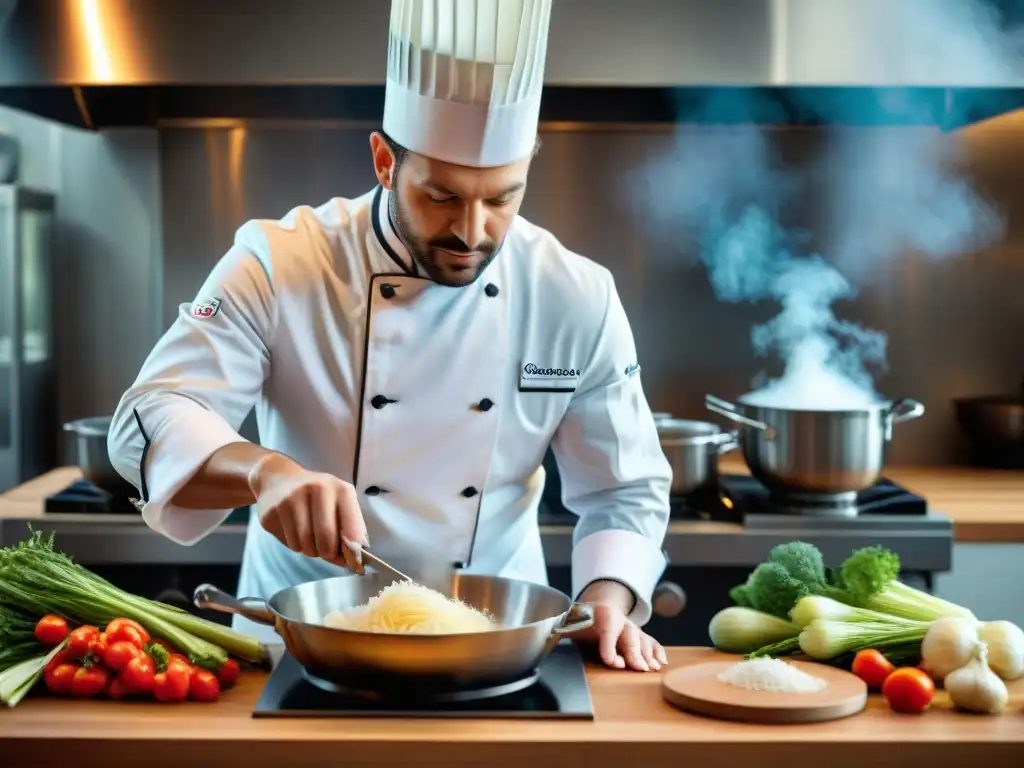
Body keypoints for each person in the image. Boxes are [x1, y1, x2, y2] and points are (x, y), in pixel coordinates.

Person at [107, 0, 672, 672]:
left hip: (496, 643)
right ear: (383, 160)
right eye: (441, 197)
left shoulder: (574, 293)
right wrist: (265, 474)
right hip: (300, 639)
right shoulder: (281, 264)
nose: (473, 231)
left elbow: (623, 489)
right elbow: (145, 422)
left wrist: (606, 595)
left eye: (501, 198)